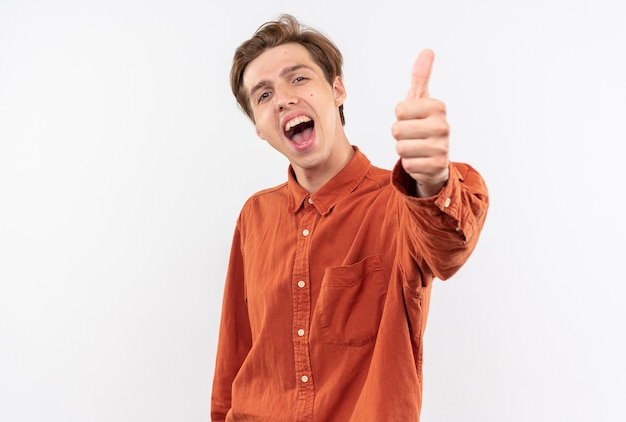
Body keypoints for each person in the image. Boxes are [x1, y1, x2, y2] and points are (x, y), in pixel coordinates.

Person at [211, 14, 489, 422]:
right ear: (258, 127)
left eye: (299, 79)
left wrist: (431, 180)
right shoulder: (255, 215)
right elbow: (235, 350)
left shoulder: (399, 201)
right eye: (263, 95)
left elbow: (448, 248)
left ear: (337, 89)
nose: (284, 98)